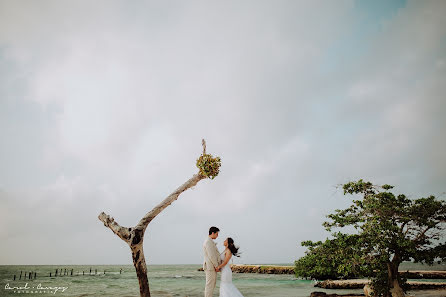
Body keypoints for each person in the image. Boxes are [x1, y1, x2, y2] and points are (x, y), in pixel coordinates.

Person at [203, 226, 222, 297]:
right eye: (217, 234)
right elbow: (212, 256)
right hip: (210, 267)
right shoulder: (208, 241)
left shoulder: (210, 241)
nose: (217, 236)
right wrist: (217, 266)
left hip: (211, 266)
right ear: (213, 233)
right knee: (210, 285)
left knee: (212, 285)